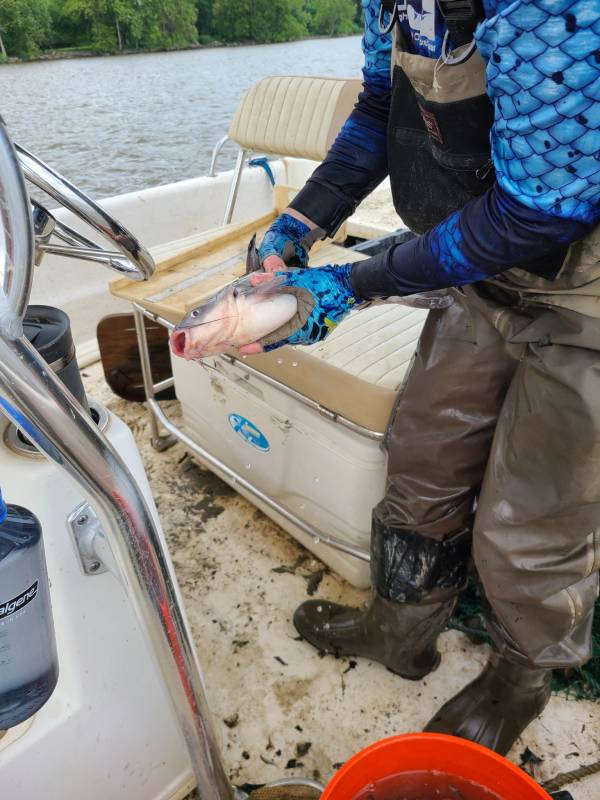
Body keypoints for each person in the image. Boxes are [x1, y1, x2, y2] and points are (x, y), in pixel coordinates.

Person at [242, 0, 600, 756]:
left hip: (584, 288)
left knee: (532, 518)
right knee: (423, 452)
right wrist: (305, 220)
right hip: (484, 261)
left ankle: (518, 681)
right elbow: (383, 103)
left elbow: (542, 210)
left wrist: (352, 286)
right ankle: (398, 629)